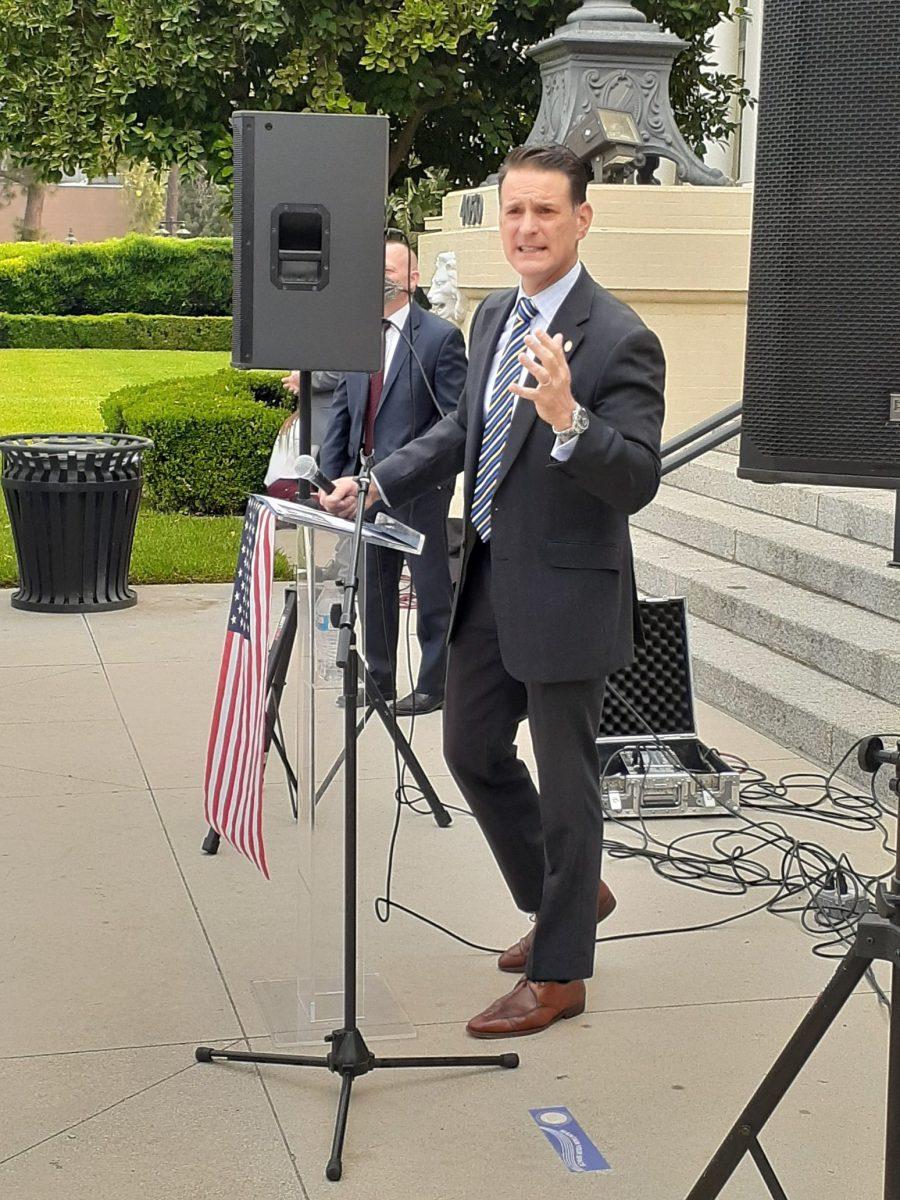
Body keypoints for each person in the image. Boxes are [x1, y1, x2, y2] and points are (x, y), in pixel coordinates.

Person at [322, 144, 666, 1038]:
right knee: (472, 751)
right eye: (514, 210)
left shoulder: (621, 336)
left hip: (567, 600)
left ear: (581, 219)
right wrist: (381, 481)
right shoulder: (491, 318)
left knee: (568, 786)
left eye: (545, 211)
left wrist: (570, 421)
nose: (526, 228)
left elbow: (635, 479)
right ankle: (568, 897)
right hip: (482, 585)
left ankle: (559, 977)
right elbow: (463, 436)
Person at [318, 237, 467, 714]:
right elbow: (344, 411)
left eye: (390, 269)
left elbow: (454, 421)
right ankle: (378, 681)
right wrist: (333, 477)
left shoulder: (439, 338)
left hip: (419, 488)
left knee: (429, 587)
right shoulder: (358, 334)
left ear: (413, 279)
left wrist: (415, 473)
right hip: (363, 487)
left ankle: (433, 683)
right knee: (374, 588)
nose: (380, 278)